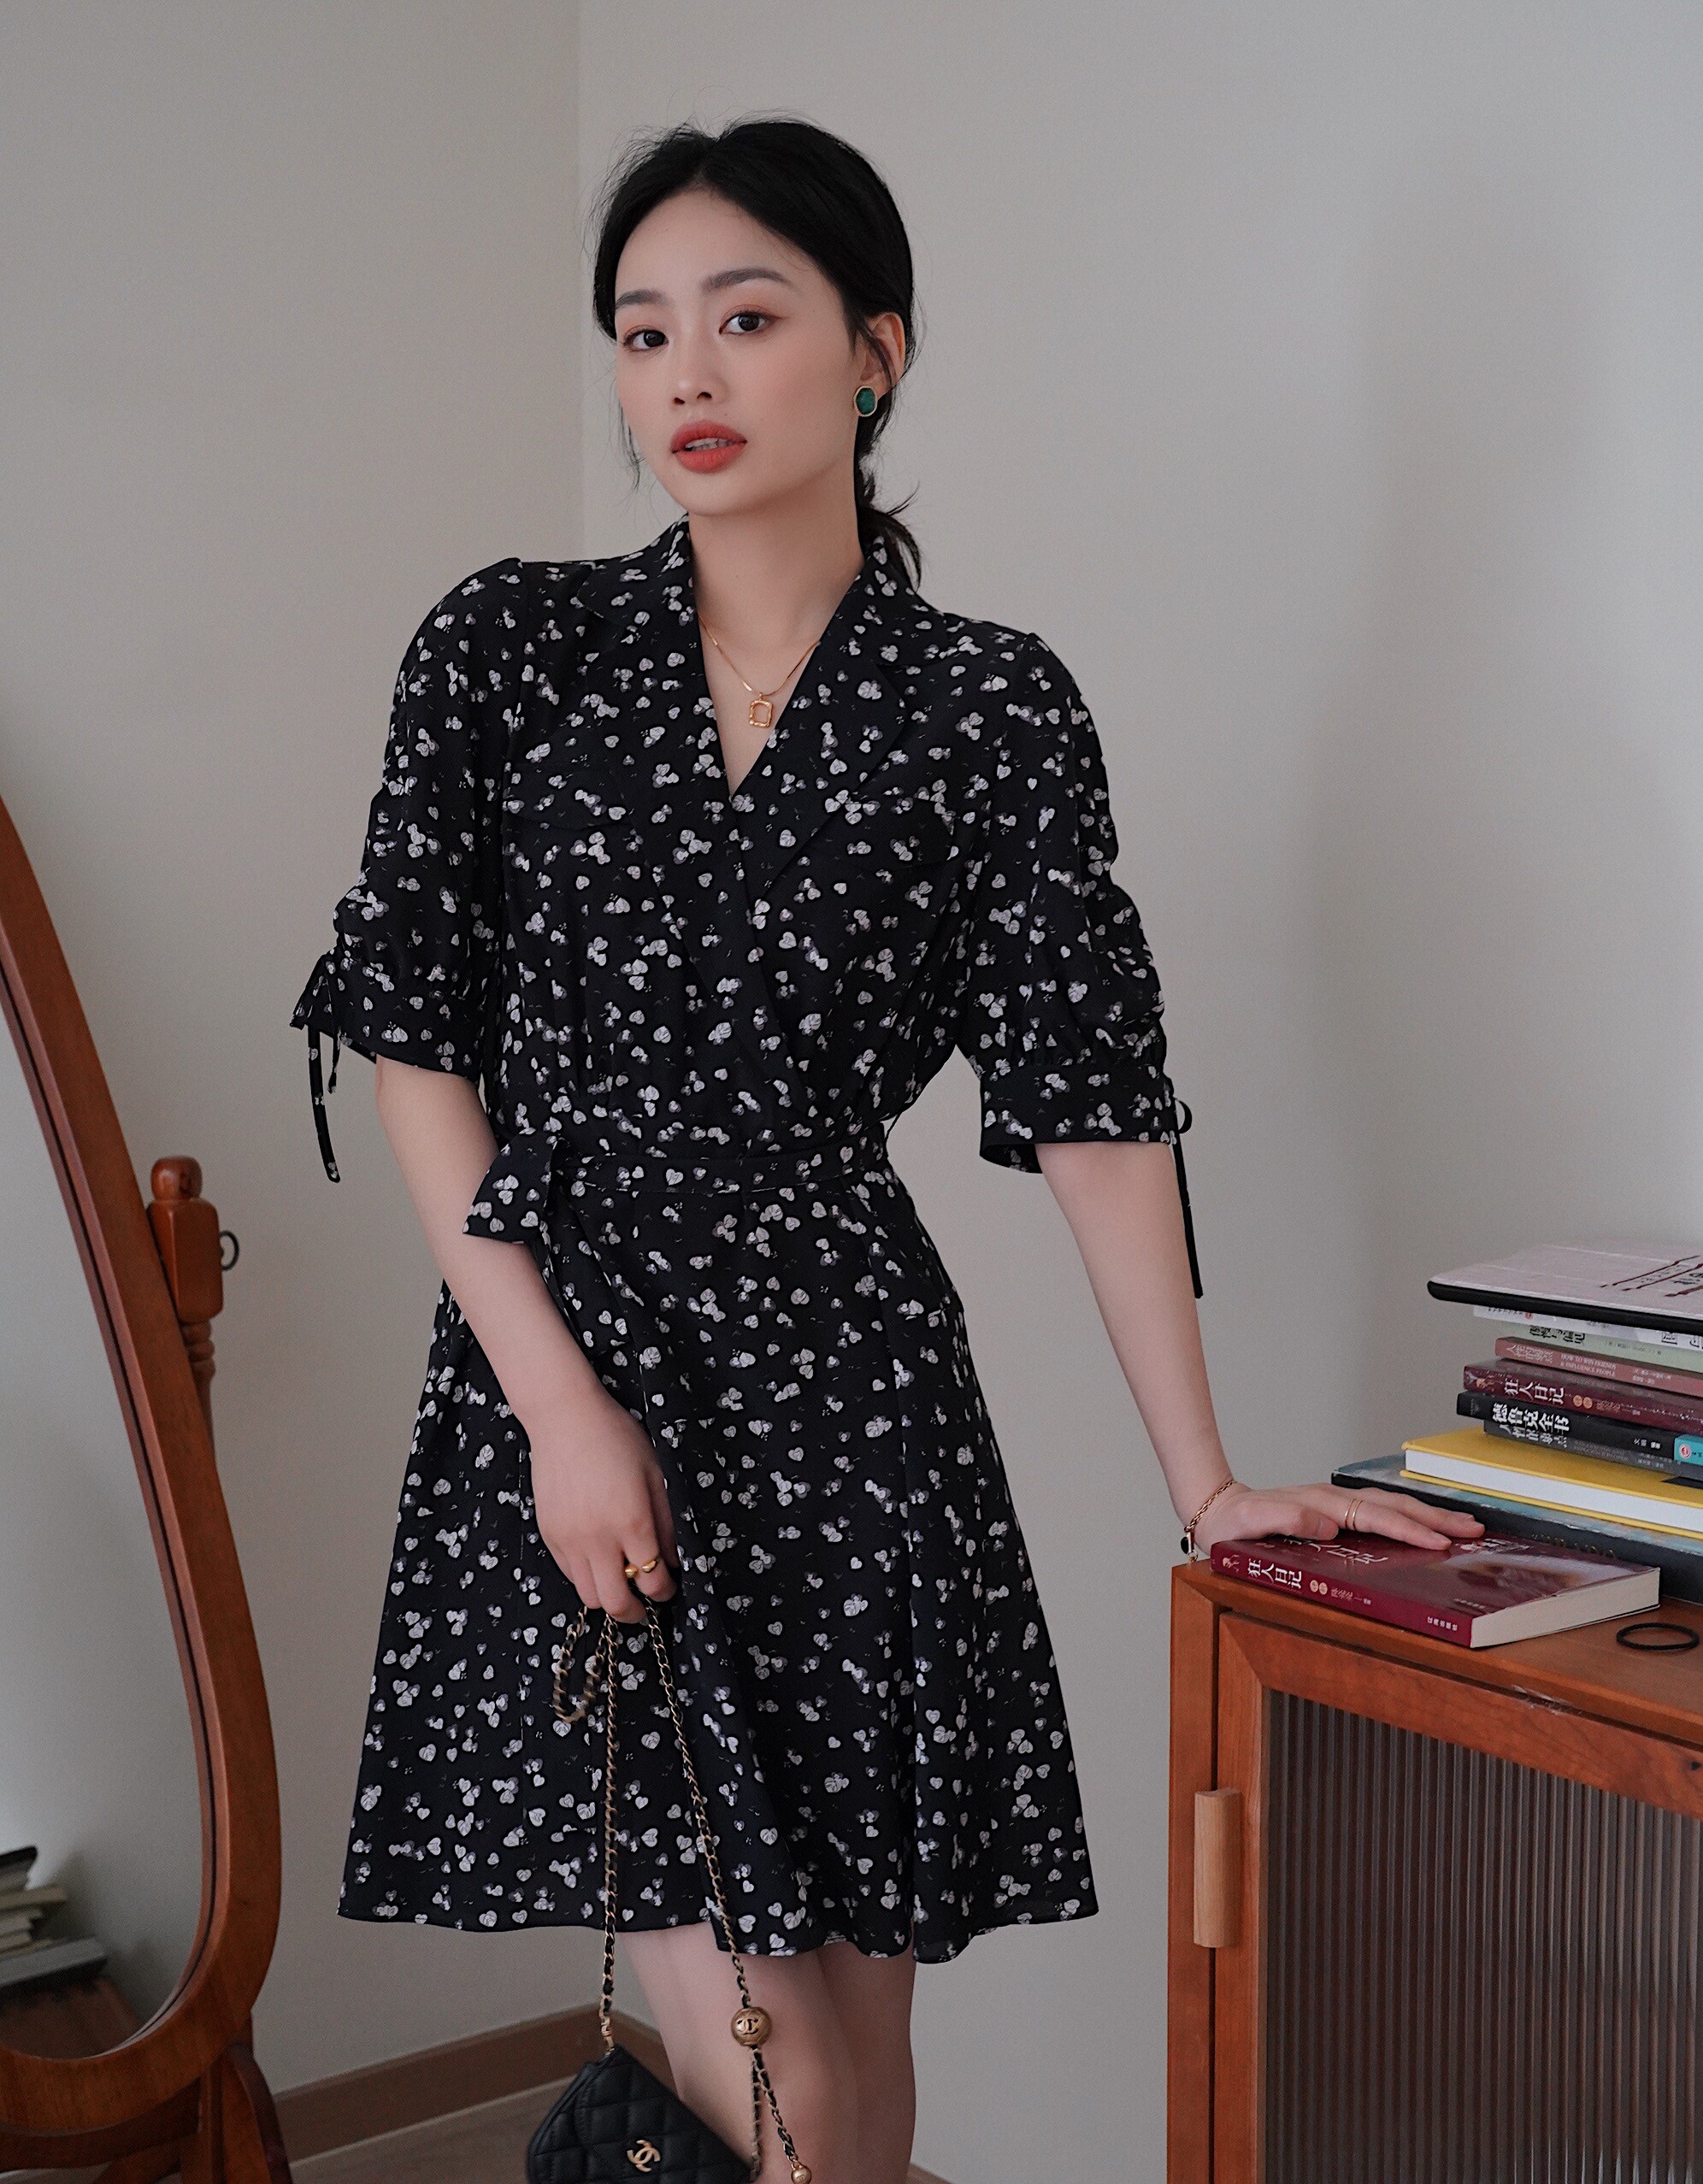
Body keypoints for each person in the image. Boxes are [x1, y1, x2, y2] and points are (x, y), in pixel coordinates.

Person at [292, 116, 1480, 2184]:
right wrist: (557, 1404)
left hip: (854, 1399)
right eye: (643, 330)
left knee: (861, 2060)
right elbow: (415, 1052)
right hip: (573, 1384)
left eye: (746, 318)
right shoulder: (509, 650)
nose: (687, 372)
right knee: (784, 2084)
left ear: (875, 351)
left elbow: (1094, 1109)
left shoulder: (987, 708)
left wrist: (1205, 1478)